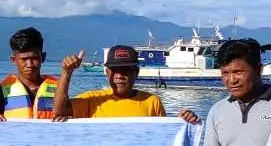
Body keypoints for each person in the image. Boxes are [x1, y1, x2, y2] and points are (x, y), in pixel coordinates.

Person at [54, 44, 189, 120]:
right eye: (114, 70)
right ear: (107, 73)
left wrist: (182, 122)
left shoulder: (152, 102)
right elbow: (59, 110)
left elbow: (165, 138)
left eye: (125, 70)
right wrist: (67, 72)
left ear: (136, 73)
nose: (119, 75)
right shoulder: (93, 100)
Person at [0, 27, 62, 121]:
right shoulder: (1, 93)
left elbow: (68, 116)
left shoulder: (58, 90)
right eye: (24, 59)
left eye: (34, 58)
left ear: (43, 57)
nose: (30, 64)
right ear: (14, 60)